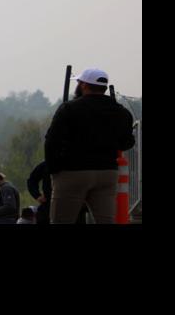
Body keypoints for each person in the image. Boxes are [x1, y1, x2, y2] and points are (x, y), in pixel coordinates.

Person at [45, 67, 136, 224]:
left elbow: (52, 141)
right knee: (106, 220)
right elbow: (127, 142)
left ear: (84, 85)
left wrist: (54, 170)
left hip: (72, 172)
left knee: (62, 220)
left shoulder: (69, 108)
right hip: (107, 172)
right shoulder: (121, 112)